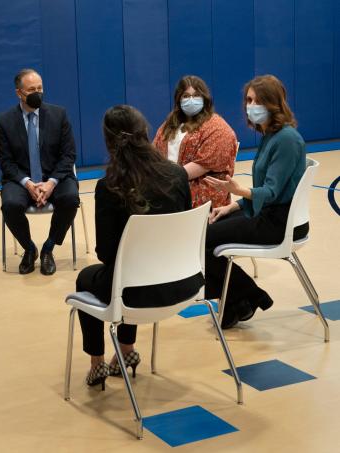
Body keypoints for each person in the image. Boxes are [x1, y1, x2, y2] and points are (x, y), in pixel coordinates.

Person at [76, 105, 202, 388]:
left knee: (90, 277)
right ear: (145, 132)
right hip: (185, 283)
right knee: (129, 271)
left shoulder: (109, 187)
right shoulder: (177, 175)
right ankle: (126, 350)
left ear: (110, 142)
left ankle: (97, 364)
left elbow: (106, 254)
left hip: (136, 293)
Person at [204, 75, 308, 329]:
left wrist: (237, 191)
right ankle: (238, 301)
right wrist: (232, 206)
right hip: (269, 213)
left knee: (202, 239)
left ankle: (246, 295)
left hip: (279, 222)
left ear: (273, 104)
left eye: (257, 101)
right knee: (202, 232)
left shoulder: (286, 140)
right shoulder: (271, 135)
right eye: (249, 100)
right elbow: (268, 191)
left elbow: (271, 191)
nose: (251, 105)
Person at [0, 69, 79, 276]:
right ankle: (29, 248)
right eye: (31, 89)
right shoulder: (4, 121)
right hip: (21, 180)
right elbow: (6, 162)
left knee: (70, 198)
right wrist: (28, 183)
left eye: (40, 88)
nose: (37, 93)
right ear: (19, 93)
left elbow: (68, 155)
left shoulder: (59, 115)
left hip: (55, 177)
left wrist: (51, 182)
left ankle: (48, 248)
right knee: (10, 205)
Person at [153, 75, 238, 208]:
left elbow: (201, 166)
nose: (191, 100)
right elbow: (154, 152)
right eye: (186, 96)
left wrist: (162, 180)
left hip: (197, 190)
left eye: (196, 95)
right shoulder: (171, 123)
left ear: (205, 98)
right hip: (169, 181)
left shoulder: (217, 127)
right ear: (178, 99)